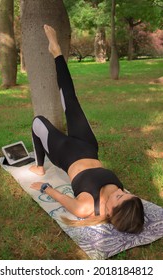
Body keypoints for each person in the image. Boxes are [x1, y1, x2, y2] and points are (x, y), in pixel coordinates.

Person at [30, 25, 144, 234]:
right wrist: (125, 198)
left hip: (65, 153)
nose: (121, 191)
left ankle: (39, 166)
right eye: (126, 193)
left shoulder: (85, 207)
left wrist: (44, 187)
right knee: (71, 99)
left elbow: (60, 197)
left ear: (110, 213)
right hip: (88, 145)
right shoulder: (125, 200)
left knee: (38, 122)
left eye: (119, 196)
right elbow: (127, 202)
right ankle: (56, 52)